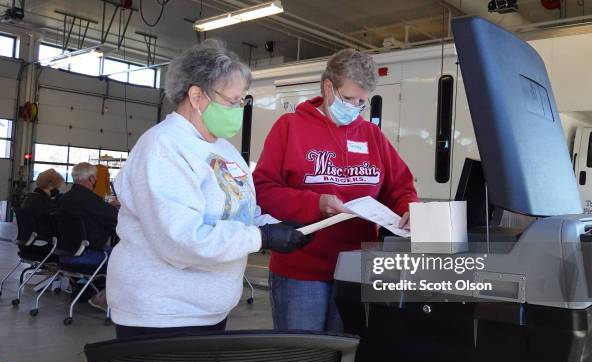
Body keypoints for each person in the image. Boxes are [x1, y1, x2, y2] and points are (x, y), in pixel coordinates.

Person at [106, 39, 310, 339]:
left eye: (243, 100)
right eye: (232, 101)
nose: (239, 109)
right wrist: (263, 237)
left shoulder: (223, 149)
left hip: (208, 309)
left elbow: (240, 213)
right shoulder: (163, 147)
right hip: (163, 313)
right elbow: (180, 240)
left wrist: (275, 226)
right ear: (197, 95)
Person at [253, 49, 419, 333]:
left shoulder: (371, 135)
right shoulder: (290, 127)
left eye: (361, 102)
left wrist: (408, 207)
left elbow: (400, 185)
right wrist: (315, 203)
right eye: (348, 99)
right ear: (328, 87)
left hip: (354, 270)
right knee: (304, 361)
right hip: (301, 272)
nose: (354, 108)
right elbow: (263, 190)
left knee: (343, 359)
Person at [58, 162, 119, 311]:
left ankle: (87, 288)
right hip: (86, 254)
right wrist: (114, 207)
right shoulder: (90, 200)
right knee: (125, 258)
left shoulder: (64, 199)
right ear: (92, 179)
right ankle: (103, 298)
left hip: (63, 254)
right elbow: (114, 219)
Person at [21, 168, 65, 242]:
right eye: (57, 187)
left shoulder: (29, 198)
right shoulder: (44, 203)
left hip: (27, 240)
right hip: (41, 241)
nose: (57, 190)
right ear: (50, 185)